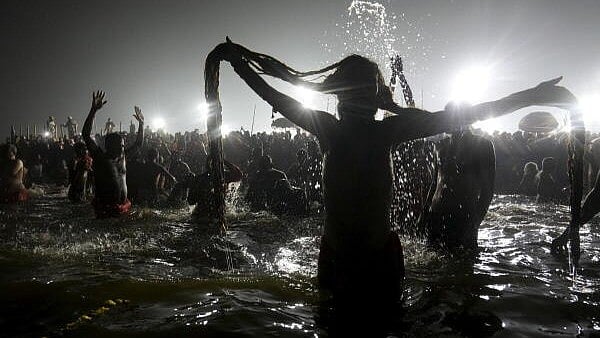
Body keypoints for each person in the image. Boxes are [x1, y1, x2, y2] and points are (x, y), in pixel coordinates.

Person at [213, 39, 576, 304]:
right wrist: (529, 95)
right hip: (362, 257)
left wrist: (240, 66)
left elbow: (272, 96)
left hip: (355, 256)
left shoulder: (336, 129)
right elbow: (471, 114)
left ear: (342, 96)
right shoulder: (365, 130)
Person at [419, 128, 495, 252]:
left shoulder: (482, 145)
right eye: (446, 117)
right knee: (431, 264)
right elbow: (435, 182)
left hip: (464, 215)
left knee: (462, 262)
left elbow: (488, 189)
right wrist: (424, 213)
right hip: (436, 213)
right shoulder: (440, 144)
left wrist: (475, 221)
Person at [82, 91, 144, 218]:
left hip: (123, 207)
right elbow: (86, 135)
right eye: (119, 146)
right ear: (109, 146)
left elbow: (138, 145)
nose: (122, 148)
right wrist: (93, 110)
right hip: (105, 210)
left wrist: (141, 124)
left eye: (122, 145)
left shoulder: (122, 157)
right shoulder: (100, 158)